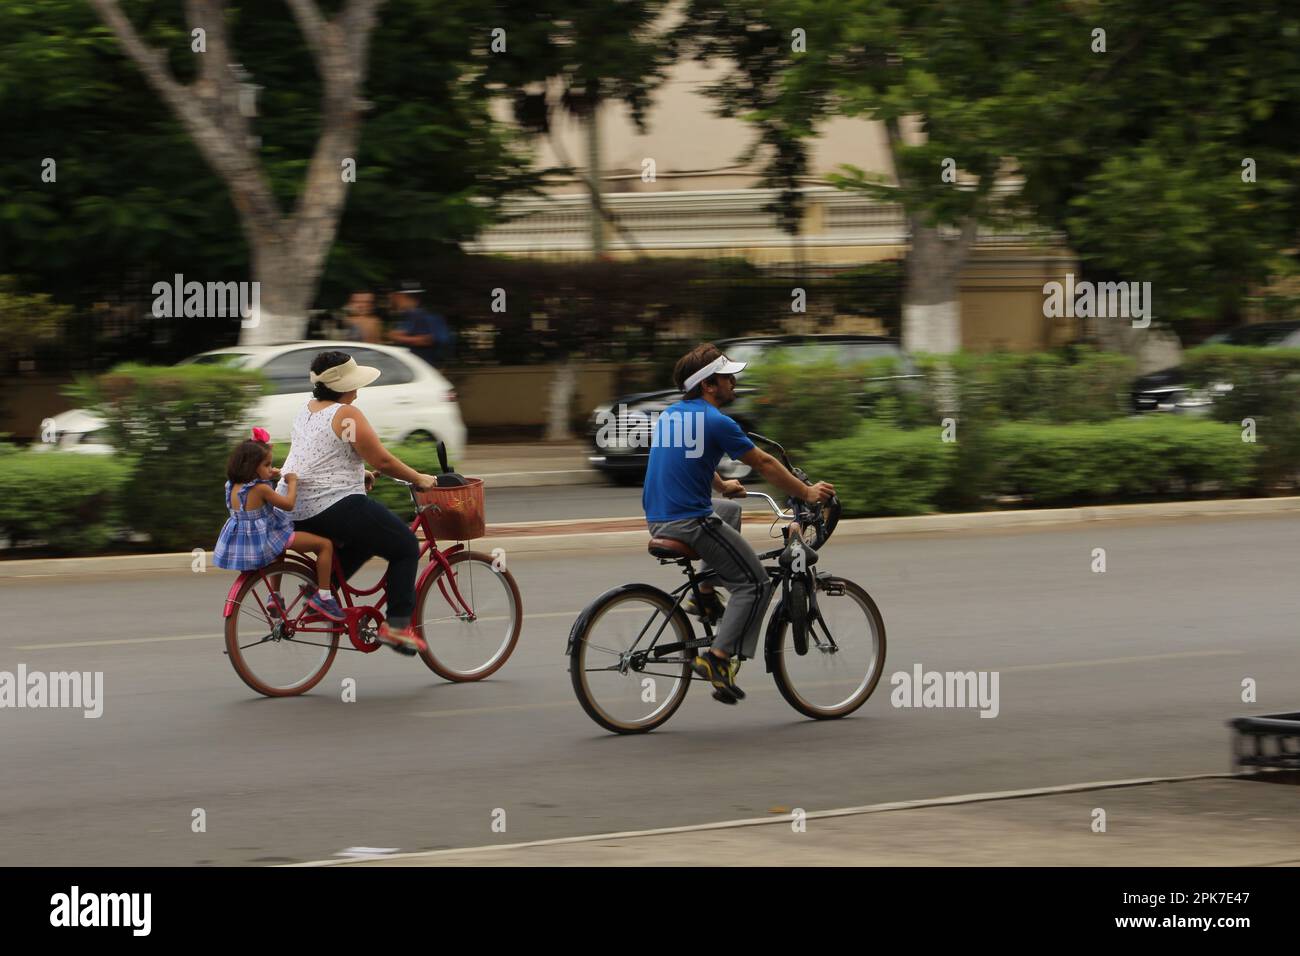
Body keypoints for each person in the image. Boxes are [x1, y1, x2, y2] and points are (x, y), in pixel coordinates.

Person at [642, 343, 835, 704]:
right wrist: (807, 493)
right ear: (708, 385)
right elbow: (763, 463)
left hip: (660, 518)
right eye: (727, 377)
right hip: (689, 522)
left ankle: (704, 595)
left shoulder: (672, 414)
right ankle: (717, 658)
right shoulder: (717, 421)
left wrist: (720, 484)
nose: (734, 382)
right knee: (755, 585)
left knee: (728, 511)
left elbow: (689, 455)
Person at [275, 351, 440, 655]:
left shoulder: (308, 409)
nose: (358, 389)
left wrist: (357, 471)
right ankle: (397, 627)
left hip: (291, 504)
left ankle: (320, 598)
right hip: (329, 505)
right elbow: (382, 459)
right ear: (342, 385)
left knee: (365, 540)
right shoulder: (347, 415)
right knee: (404, 545)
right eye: (354, 383)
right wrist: (419, 478)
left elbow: (316, 454)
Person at [214, 427, 345, 622]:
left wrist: (269, 474)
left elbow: (256, 493)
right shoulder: (260, 489)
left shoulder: (232, 485)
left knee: (278, 552)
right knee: (325, 545)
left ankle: (274, 596)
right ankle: (324, 597)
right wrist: (292, 482)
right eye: (267, 465)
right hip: (266, 538)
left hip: (246, 545)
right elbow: (288, 504)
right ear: (252, 467)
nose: (270, 468)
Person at [386, 279, 453, 366]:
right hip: (415, 366)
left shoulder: (426, 315)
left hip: (426, 367)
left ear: (400, 296)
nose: (391, 298)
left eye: (393, 295)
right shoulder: (408, 315)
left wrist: (399, 338)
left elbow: (431, 339)